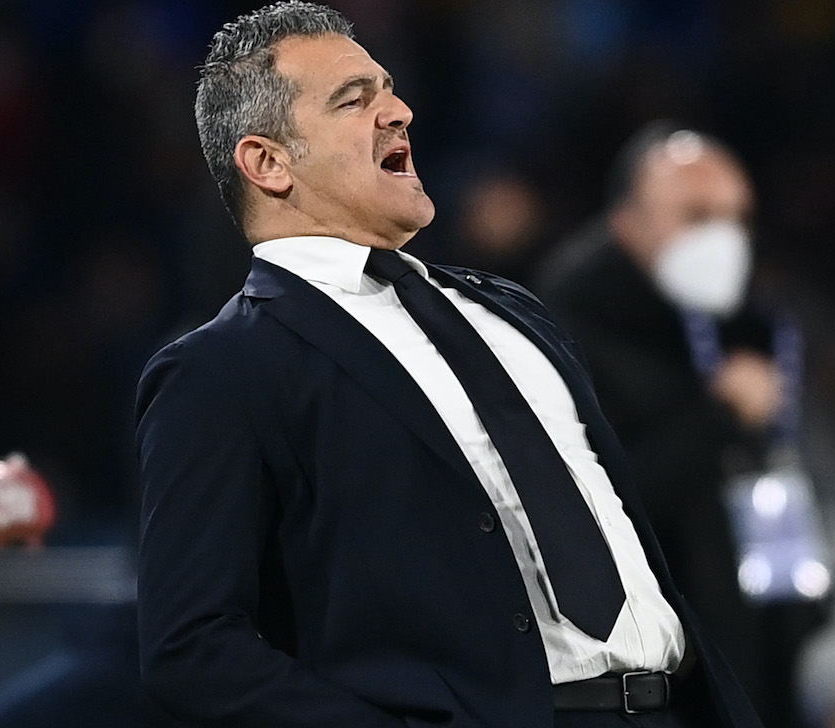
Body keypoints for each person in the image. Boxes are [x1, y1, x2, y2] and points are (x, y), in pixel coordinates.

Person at [134, 3, 761, 727]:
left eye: (389, 88)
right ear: (268, 163)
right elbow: (191, 647)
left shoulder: (514, 311)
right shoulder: (222, 369)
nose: (399, 111)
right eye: (353, 100)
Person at [534, 123, 831, 728]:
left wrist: (800, 595)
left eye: (738, 218)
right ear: (628, 224)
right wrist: (718, 416)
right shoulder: (562, 336)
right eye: (697, 215)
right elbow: (595, 511)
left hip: (755, 670)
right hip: (649, 696)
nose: (724, 237)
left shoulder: (745, 327)